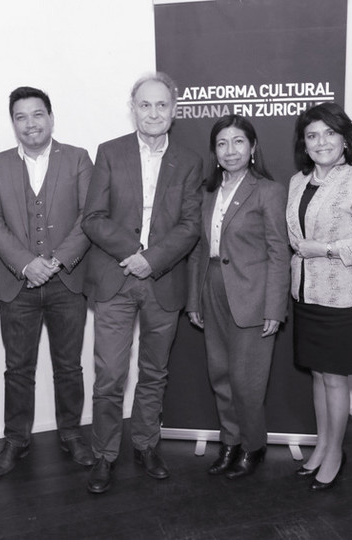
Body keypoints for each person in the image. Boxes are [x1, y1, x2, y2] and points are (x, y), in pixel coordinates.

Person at [82, 72, 203, 494]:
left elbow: (190, 226)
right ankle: (104, 454)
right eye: (145, 105)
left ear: (174, 110)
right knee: (110, 376)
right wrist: (133, 252)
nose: (153, 113)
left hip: (162, 280)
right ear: (133, 109)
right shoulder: (109, 152)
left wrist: (150, 260)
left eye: (162, 105)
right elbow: (93, 217)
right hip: (114, 278)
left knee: (154, 373)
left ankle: (146, 444)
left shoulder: (189, 161)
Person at [0, 86, 94, 477]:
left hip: (68, 283)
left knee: (69, 367)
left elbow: (89, 216)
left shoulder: (78, 158)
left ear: (50, 117)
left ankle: (72, 434)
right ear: (13, 122)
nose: (30, 123)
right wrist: (27, 264)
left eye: (37, 114)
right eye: (21, 116)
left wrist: (57, 261)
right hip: (17, 285)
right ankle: (15, 440)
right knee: (17, 369)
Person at [287, 102, 352, 491]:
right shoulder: (298, 182)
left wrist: (327, 250)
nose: (321, 142)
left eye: (330, 133)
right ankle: (321, 445)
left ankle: (334, 453)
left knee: (334, 378)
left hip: (346, 296)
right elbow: (297, 240)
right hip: (307, 293)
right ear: (304, 143)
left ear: (345, 139)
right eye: (312, 135)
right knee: (318, 373)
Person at [187, 115, 289, 479]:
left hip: (252, 294)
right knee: (221, 376)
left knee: (247, 383)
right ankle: (229, 442)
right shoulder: (206, 193)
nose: (230, 151)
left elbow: (279, 252)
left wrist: (275, 307)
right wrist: (193, 299)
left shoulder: (268, 191)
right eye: (222, 143)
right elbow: (199, 250)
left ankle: (253, 445)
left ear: (253, 147)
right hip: (211, 287)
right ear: (214, 151)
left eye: (238, 142)